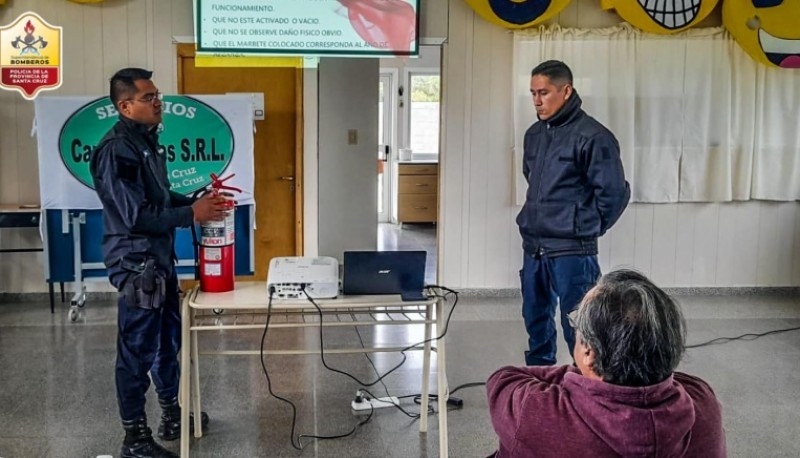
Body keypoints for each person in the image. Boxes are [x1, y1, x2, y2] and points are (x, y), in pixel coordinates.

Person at [90, 68, 228, 458]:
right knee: (137, 351)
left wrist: (198, 202)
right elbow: (136, 216)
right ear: (125, 105)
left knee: (170, 341)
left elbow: (161, 196)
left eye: (157, 95)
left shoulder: (145, 143)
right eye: (148, 97)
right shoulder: (116, 149)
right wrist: (192, 215)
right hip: (137, 266)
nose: (157, 102)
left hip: (160, 261)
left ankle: (172, 414)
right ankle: (134, 439)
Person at [487, 269, 726, 458]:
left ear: (589, 353)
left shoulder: (533, 408)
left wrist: (577, 377)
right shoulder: (702, 401)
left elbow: (503, 379)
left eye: (575, 323)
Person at [516, 60, 630, 366]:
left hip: (572, 251)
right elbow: (534, 181)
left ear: (566, 91)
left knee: (579, 325)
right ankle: (540, 380)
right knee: (535, 318)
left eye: (544, 92)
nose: (537, 100)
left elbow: (614, 194)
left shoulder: (594, 137)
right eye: (533, 93)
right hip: (535, 248)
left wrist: (584, 226)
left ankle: (587, 388)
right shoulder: (533, 135)